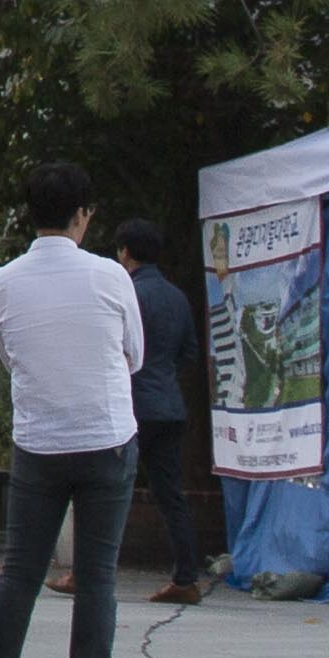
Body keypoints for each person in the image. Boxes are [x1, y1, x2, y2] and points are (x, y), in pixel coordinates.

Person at [0, 162, 147, 658]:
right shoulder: (110, 275)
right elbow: (135, 353)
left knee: (20, 571)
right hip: (106, 435)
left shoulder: (1, 282)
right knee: (97, 576)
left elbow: (7, 351)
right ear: (84, 214)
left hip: (39, 440)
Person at [112, 218, 208, 603]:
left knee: (105, 487)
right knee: (170, 493)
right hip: (169, 405)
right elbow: (189, 351)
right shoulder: (176, 297)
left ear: (126, 253)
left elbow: (114, 347)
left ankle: (87, 572)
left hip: (131, 406)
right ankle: (186, 578)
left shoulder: (127, 294)